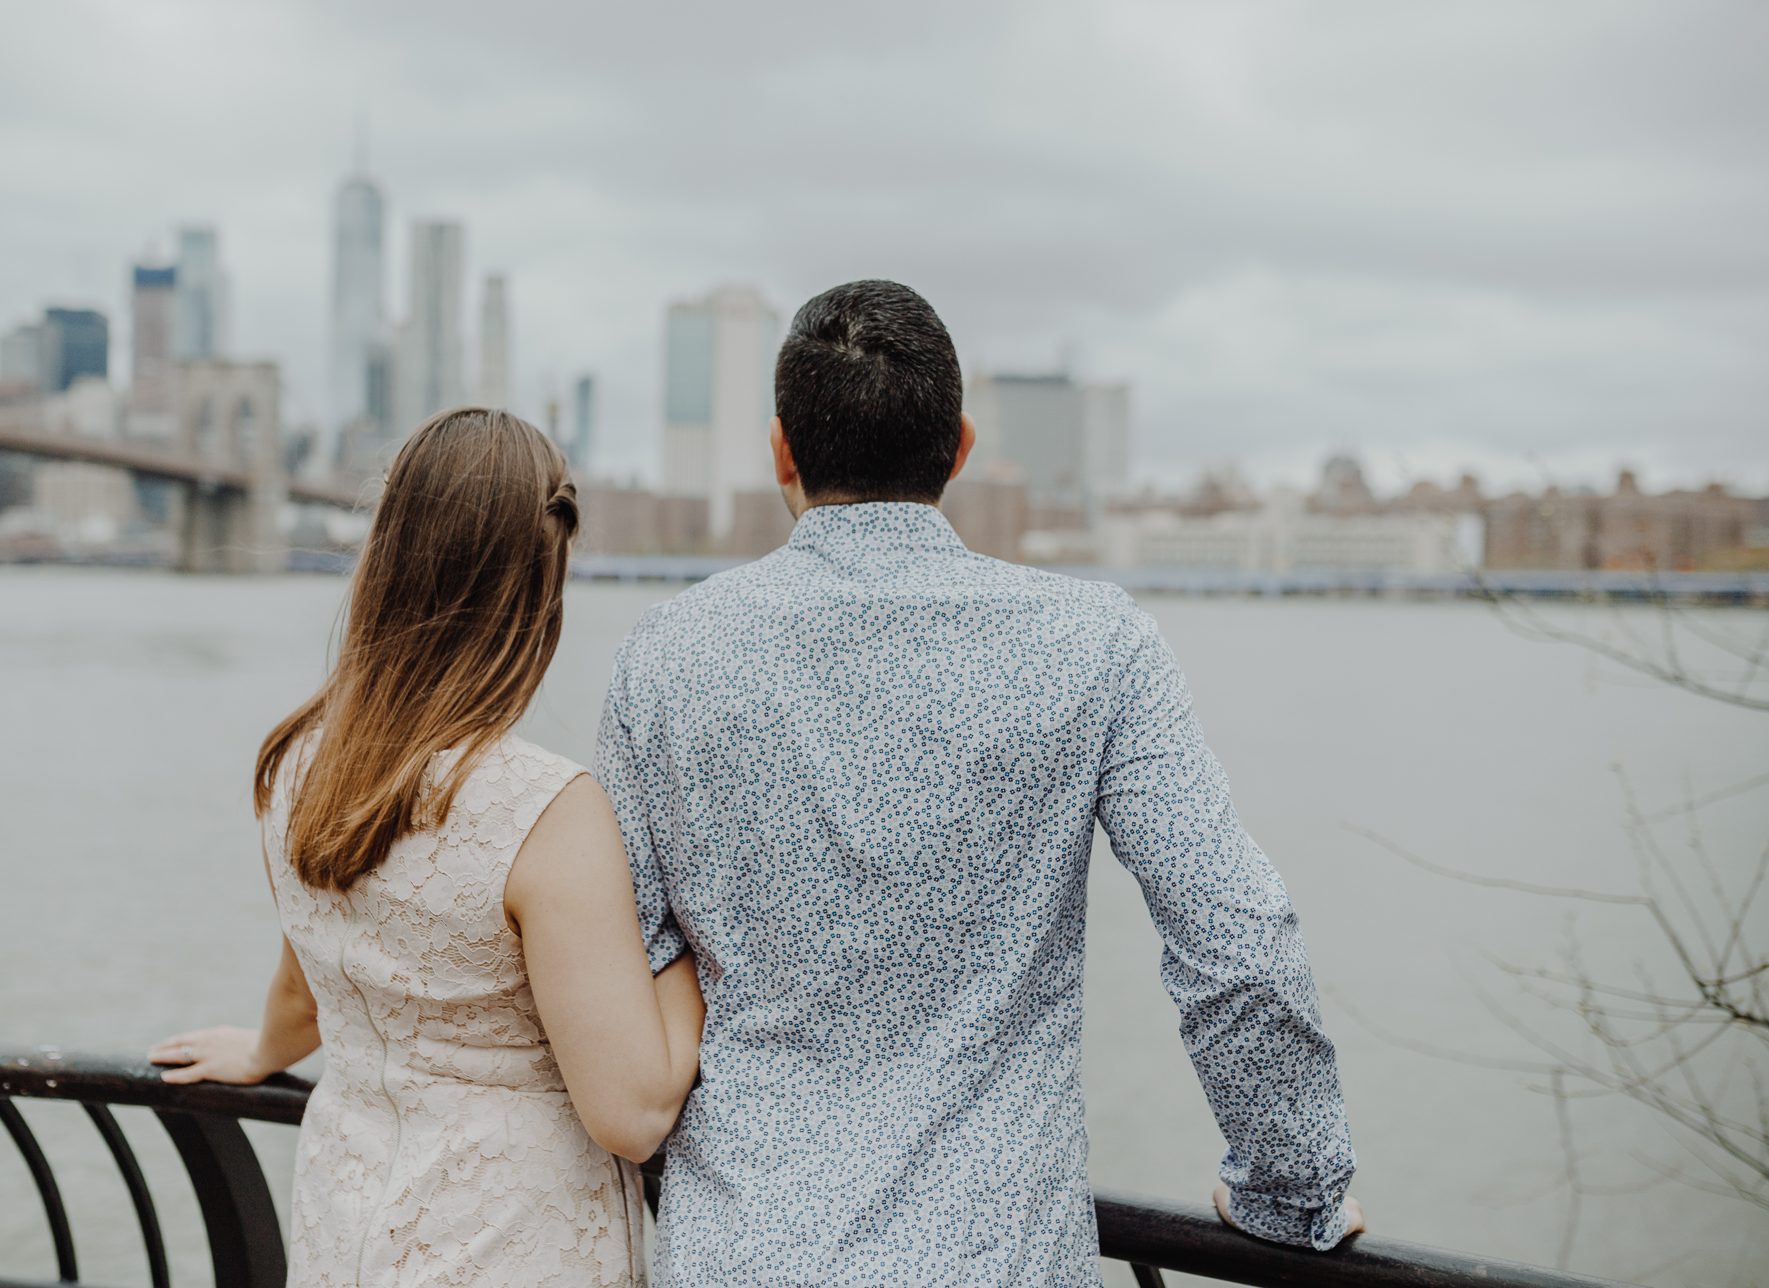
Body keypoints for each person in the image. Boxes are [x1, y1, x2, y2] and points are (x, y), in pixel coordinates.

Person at [595, 281, 1362, 1286]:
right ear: (956, 449)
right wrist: (1290, 1191)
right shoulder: (1097, 645)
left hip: (739, 1253)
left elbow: (629, 966)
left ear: (779, 450)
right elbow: (1235, 939)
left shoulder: (663, 657)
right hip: (996, 1258)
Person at [150, 409, 705, 1288]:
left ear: (388, 555)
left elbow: (307, 987)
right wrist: (684, 939)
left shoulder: (296, 763)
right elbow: (633, 1111)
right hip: (515, 1250)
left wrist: (262, 1050)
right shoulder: (547, 810)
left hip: (349, 1229)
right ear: (538, 591)